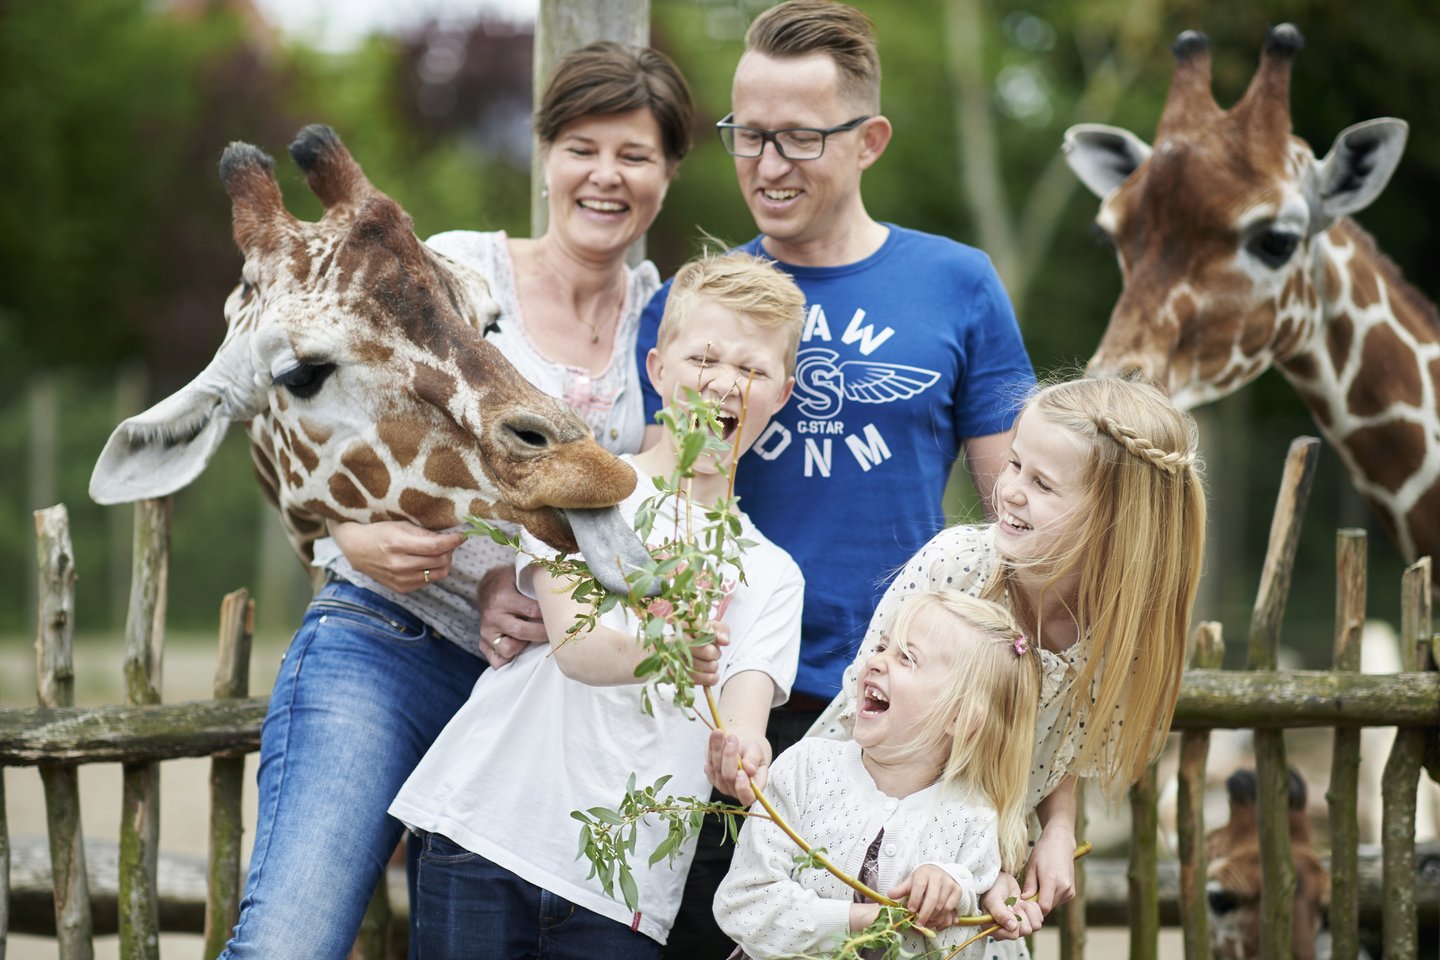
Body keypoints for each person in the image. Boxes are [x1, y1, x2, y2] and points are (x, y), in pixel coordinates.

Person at [218, 42, 695, 960]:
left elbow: (681, 486)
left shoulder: (671, 320)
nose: (605, 176)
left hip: (548, 696)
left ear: (670, 173)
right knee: (290, 940)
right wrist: (343, 542)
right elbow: (308, 423)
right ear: (545, 153)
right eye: (581, 147)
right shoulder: (450, 269)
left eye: (636, 154)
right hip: (397, 641)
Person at [634, 3, 1035, 951]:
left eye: (800, 138)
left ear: (870, 141)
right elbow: (655, 496)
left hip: (897, 715)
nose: (766, 165)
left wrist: (1042, 805)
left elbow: (1025, 538)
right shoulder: (701, 304)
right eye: (747, 134)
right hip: (727, 709)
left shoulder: (957, 283)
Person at [388, 251, 807, 957]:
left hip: (623, 889)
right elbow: (578, 650)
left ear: (783, 393)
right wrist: (672, 650)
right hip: (488, 827)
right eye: (703, 356)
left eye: (753, 369)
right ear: (657, 370)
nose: (725, 382)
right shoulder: (584, 488)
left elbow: (744, 714)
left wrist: (740, 758)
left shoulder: (772, 575)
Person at [807, 374, 1207, 957]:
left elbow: (1066, 743)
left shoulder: (1121, 642)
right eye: (1016, 464)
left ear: (1114, 520)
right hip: (851, 869)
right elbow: (860, 718)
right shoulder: (956, 569)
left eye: (1043, 483)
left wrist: (1059, 827)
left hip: (969, 896)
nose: (1011, 490)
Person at [714, 591, 1041, 959]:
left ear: (958, 718)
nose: (876, 661)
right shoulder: (806, 768)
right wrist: (868, 918)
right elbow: (744, 905)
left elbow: (960, 940)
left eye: (907, 658)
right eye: (883, 646)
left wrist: (952, 889)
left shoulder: (972, 819)